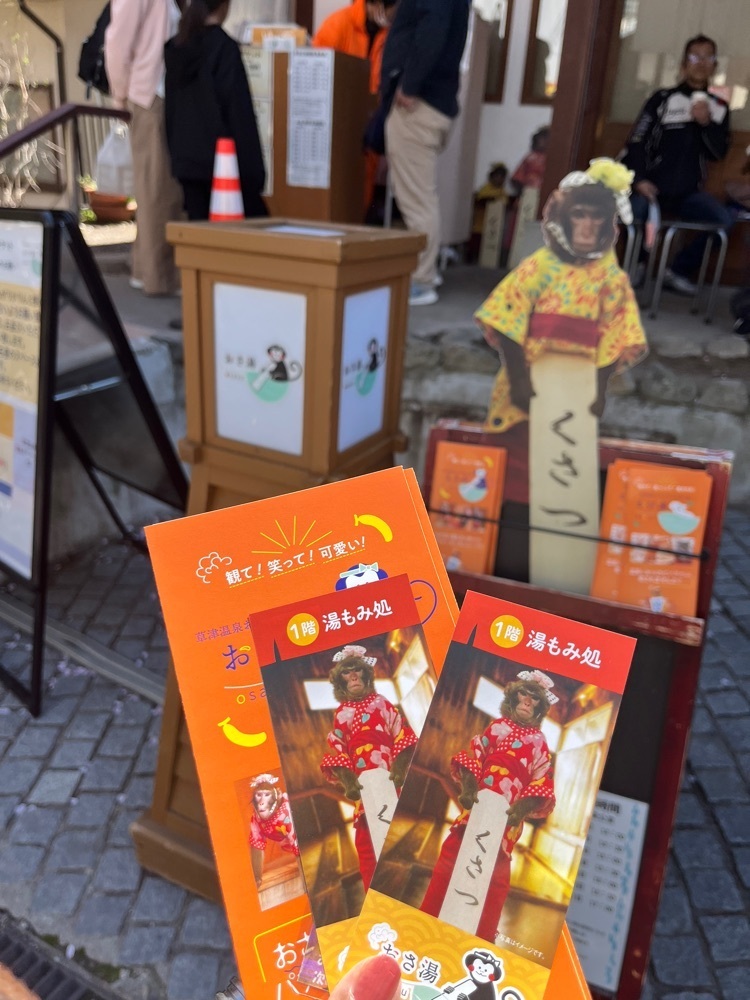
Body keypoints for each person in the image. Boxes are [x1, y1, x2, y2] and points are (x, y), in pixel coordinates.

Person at [474, 158, 648, 504]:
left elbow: (616, 338)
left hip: (575, 394)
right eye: (578, 215)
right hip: (525, 386)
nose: (587, 227)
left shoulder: (611, 278)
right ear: (562, 219)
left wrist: (599, 390)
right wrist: (519, 383)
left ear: (608, 224)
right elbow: (505, 320)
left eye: (596, 217)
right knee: (511, 477)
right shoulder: (539, 267)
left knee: (560, 475)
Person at [420, 671, 557, 940]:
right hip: (479, 803)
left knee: (495, 873)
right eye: (523, 695)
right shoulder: (496, 727)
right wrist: (469, 788)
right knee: (453, 855)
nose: (527, 702)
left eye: (534, 699)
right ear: (513, 698)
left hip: (507, 815)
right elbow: (475, 756)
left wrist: (520, 809)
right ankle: (430, 918)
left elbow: (541, 780)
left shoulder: (540, 742)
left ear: (540, 708)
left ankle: (480, 935)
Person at [622, 34, 732, 295]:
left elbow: (718, 153)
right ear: (683, 64)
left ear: (715, 65)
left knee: (723, 220)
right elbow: (637, 141)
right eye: (694, 57)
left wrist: (705, 123)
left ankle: (678, 271)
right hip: (652, 189)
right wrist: (640, 180)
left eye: (708, 57)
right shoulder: (662, 99)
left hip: (688, 193)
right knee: (633, 212)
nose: (701, 63)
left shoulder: (719, 106)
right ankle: (637, 265)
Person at [379, 0, 470, 306]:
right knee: (421, 195)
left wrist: (409, 85)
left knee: (417, 199)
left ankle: (421, 279)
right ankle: (426, 270)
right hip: (435, 101)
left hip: (418, 104)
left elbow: (432, 27)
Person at [320, 644, 417, 891]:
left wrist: (399, 770)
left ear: (366, 675)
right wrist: (349, 782)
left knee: (394, 831)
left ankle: (400, 889)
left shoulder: (382, 703)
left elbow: (402, 735)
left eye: (357, 670)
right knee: (366, 839)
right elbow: (340, 750)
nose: (353, 676)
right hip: (363, 784)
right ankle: (374, 893)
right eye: (347, 672)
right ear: (340, 682)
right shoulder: (341, 714)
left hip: (388, 775)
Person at [105, 0, 184, 296]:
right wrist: (120, 95)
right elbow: (117, 40)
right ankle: (158, 276)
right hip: (149, 96)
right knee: (156, 189)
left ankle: (146, 269)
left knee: (159, 188)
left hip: (156, 94)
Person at [164, 0, 266, 221]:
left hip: (186, 164)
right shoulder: (224, 48)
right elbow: (239, 114)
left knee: (198, 232)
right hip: (224, 166)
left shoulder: (175, 48)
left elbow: (170, 112)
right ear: (225, 5)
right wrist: (254, 175)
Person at [313, 0, 397, 216]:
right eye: (391, 10)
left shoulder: (390, 34)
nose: (393, 15)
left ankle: (358, 220)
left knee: (364, 182)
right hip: (337, 120)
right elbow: (317, 72)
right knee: (335, 185)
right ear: (376, 4)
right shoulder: (338, 25)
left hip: (370, 118)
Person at [248, 773, 300, 888]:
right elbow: (256, 845)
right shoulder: (256, 819)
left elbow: (297, 844)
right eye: (258, 795)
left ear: (278, 796)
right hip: (286, 843)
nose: (261, 802)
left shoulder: (286, 811)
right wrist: (257, 878)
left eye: (267, 795)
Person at [510, 125, 549, 196]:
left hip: (546, 193)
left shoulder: (553, 159)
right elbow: (516, 178)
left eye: (545, 137)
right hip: (529, 192)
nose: (542, 141)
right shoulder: (530, 157)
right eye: (541, 137)